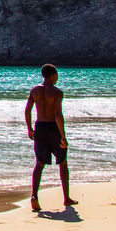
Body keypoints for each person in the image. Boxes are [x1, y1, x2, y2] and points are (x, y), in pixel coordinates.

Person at [25, 63, 77, 212]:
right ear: (53, 75)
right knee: (62, 162)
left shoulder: (34, 90)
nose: (57, 78)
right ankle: (66, 198)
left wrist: (30, 128)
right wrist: (63, 136)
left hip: (40, 127)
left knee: (39, 163)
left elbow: (27, 110)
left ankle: (34, 196)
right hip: (53, 128)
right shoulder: (57, 92)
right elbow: (58, 115)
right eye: (57, 76)